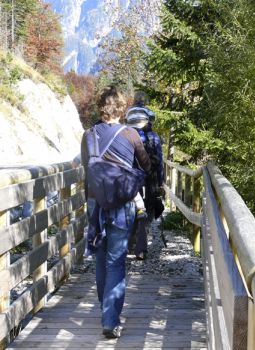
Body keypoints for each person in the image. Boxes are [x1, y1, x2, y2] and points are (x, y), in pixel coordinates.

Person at [81, 86, 151, 339]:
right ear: (122, 109)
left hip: (95, 204)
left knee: (100, 257)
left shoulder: (88, 135)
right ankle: (110, 319)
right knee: (116, 261)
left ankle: (106, 311)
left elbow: (86, 169)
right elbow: (146, 164)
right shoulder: (130, 134)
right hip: (122, 203)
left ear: (101, 107)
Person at [126, 91, 164, 260]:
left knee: (131, 208)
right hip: (150, 178)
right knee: (146, 210)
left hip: (131, 176)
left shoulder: (127, 128)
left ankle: (129, 244)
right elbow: (159, 161)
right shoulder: (153, 137)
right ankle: (141, 248)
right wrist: (161, 182)